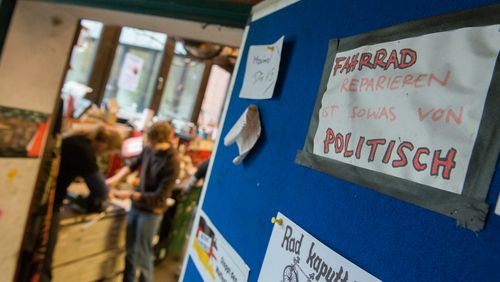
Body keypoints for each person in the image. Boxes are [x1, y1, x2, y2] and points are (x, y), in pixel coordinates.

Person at [41, 125, 122, 282]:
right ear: (103, 145)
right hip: (50, 204)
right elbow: (101, 190)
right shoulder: (84, 152)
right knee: (45, 256)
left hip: (44, 197)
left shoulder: (79, 140)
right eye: (107, 152)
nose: (104, 155)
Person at [106, 121, 180, 282]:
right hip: (136, 207)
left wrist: (130, 195)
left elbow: (159, 197)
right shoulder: (148, 148)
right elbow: (133, 165)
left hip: (151, 213)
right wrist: (114, 180)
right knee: (130, 250)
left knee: (143, 253)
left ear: (158, 141)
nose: (148, 145)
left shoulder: (172, 162)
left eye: (151, 143)